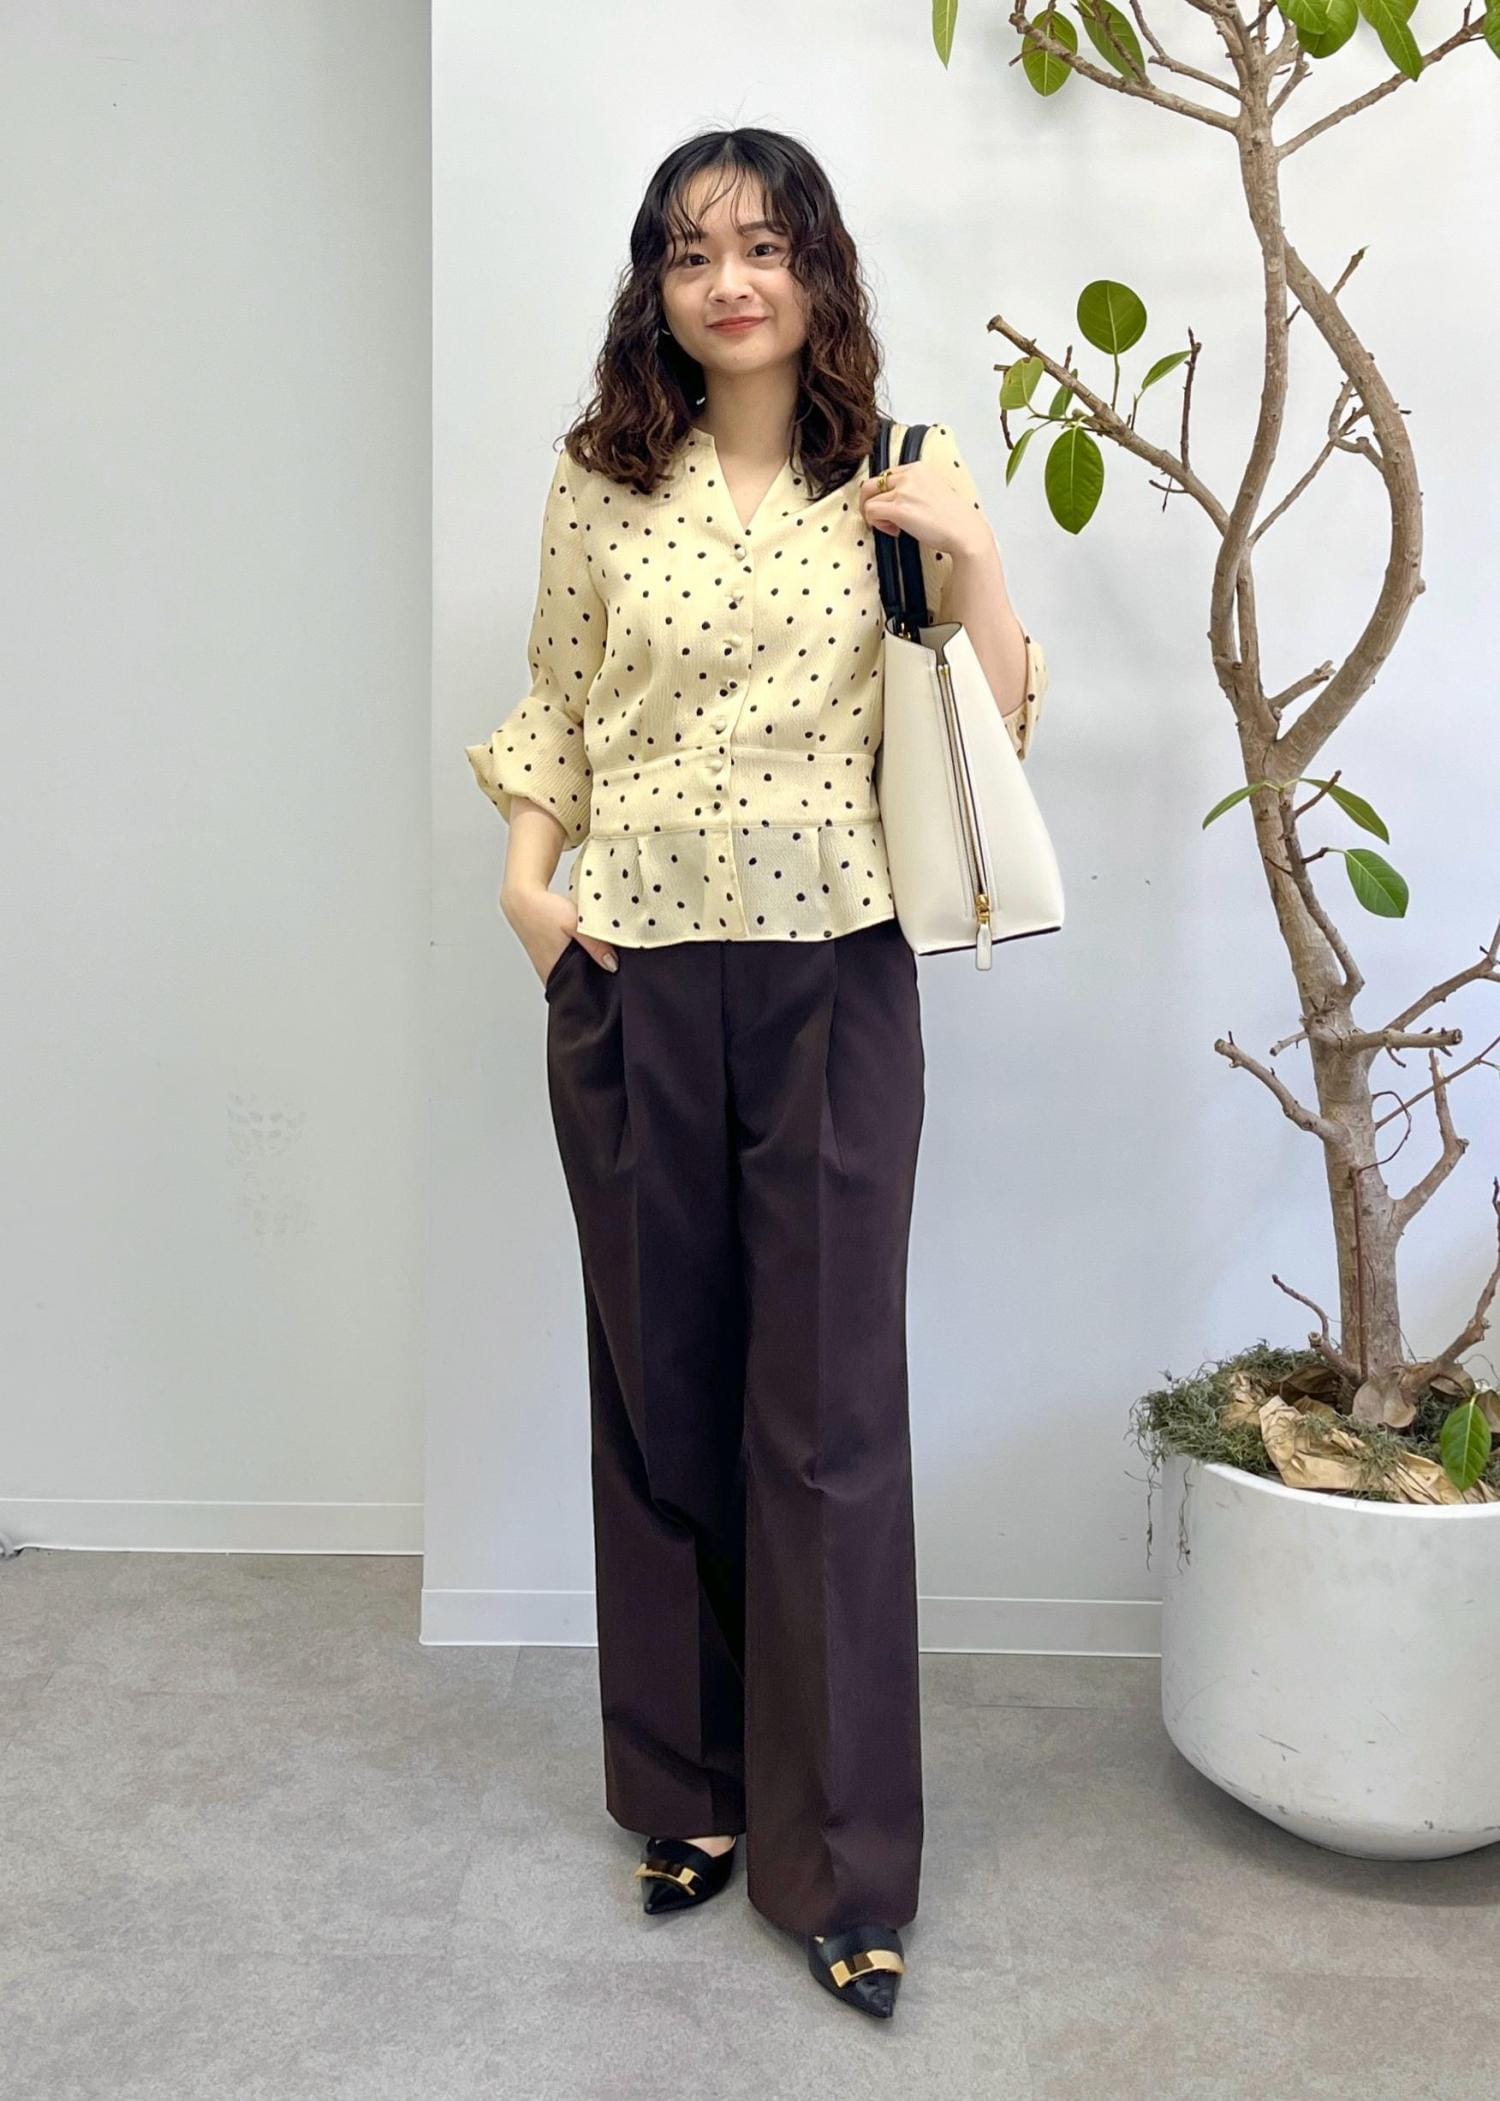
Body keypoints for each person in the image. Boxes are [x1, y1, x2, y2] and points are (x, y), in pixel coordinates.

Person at [465, 126, 1047, 2021]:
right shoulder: (599, 480)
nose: (731, 282)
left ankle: (845, 1862)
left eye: (766, 247)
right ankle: (687, 1788)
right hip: (631, 966)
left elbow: (997, 717)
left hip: (836, 975)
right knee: (662, 1392)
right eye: (694, 251)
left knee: (827, 1415)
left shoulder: (898, 470)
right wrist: (529, 889)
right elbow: (560, 696)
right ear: (658, 282)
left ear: (817, 272)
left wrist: (971, 556)